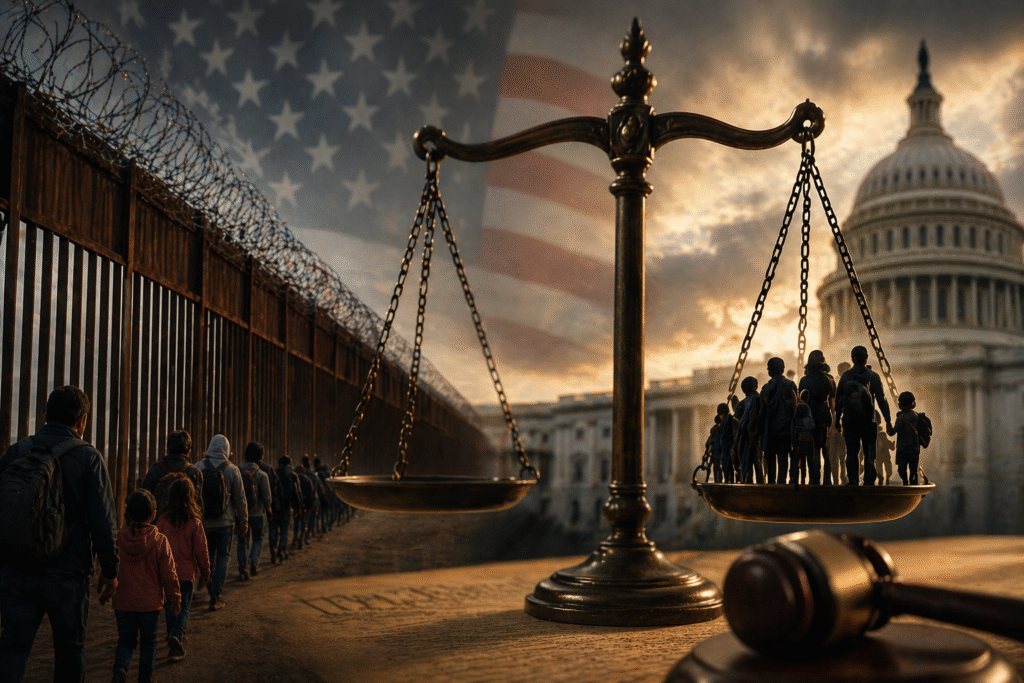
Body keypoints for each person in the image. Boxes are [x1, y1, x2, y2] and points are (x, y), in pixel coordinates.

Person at [0, 385, 119, 683]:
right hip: (68, 575)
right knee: (69, 652)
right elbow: (103, 522)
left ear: (44, 415)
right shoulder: (89, 458)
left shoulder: (17, 451)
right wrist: (110, 570)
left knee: (12, 648)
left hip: (17, 570)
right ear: (82, 421)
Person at [110, 489, 180, 683]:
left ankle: (121, 669)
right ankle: (145, 679)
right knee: (148, 645)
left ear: (129, 514)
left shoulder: (118, 537)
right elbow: (169, 575)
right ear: (153, 515)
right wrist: (175, 599)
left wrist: (105, 589)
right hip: (150, 605)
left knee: (125, 641)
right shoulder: (159, 541)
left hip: (123, 602)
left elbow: (109, 565)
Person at [155, 477, 210, 661]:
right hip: (187, 574)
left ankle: (172, 634)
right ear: (191, 496)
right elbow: (202, 551)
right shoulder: (195, 522)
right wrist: (206, 571)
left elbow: (157, 546)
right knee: (185, 606)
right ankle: (177, 635)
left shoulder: (162, 520)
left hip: (167, 572)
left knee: (170, 605)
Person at [195, 434, 247, 611]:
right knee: (223, 557)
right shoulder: (232, 470)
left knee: (207, 557)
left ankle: (210, 589)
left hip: (204, 523)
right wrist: (244, 521)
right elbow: (240, 499)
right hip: (226, 523)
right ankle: (215, 595)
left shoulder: (198, 467)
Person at [835, 346, 892, 486]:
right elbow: (882, 400)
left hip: (850, 420)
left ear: (852, 359)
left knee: (852, 452)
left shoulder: (845, 376)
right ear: (866, 359)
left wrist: (836, 419)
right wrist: (888, 420)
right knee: (869, 454)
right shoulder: (873, 376)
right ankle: (868, 481)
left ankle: (853, 480)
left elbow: (838, 399)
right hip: (868, 420)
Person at [141, 430, 204, 517]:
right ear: (188, 451)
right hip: (186, 526)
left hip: (160, 525)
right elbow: (199, 505)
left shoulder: (156, 469)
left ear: (168, 448)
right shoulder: (194, 472)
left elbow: (144, 497)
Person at [797, 350, 836, 485]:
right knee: (825, 449)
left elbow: (800, 402)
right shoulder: (828, 379)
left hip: (808, 418)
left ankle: (814, 478)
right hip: (824, 417)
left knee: (812, 448)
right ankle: (827, 480)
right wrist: (834, 422)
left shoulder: (804, 380)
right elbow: (832, 404)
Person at [759, 357, 798, 484]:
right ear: (783, 369)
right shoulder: (790, 385)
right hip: (785, 430)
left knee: (770, 460)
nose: (767, 370)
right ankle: (781, 484)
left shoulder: (765, 388)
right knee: (783, 460)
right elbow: (795, 409)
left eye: (768, 367)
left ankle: (771, 483)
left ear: (770, 371)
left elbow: (761, 413)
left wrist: (760, 431)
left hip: (769, 431)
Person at [237, 442, 272, 580]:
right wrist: (269, 510)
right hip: (258, 513)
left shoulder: (236, 471)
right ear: (260, 457)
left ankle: (242, 567)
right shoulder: (262, 474)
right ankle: (254, 562)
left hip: (241, 515)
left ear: (245, 455)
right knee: (258, 538)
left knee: (242, 541)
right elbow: (267, 497)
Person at [887, 392, 924, 485]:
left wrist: (888, 427)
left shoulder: (900, 419)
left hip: (903, 448)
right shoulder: (916, 416)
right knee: (913, 470)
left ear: (900, 404)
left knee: (901, 469)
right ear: (912, 403)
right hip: (915, 448)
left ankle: (905, 482)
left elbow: (892, 433)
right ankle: (913, 483)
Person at [271, 455, 301, 564]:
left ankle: (273, 552)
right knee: (284, 531)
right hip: (287, 507)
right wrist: (297, 508)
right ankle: (281, 550)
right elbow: (296, 493)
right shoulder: (292, 475)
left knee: (273, 531)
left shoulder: (273, 473)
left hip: (274, 508)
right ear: (289, 463)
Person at [733, 377, 764, 484]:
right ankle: (756, 481)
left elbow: (745, 418)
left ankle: (750, 481)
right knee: (755, 460)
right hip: (752, 435)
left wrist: (738, 435)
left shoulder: (752, 399)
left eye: (744, 388)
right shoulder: (753, 398)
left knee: (751, 460)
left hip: (751, 435)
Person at [712, 403, 737, 483]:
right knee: (731, 468)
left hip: (726, 448)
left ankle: (727, 482)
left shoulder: (724, 422)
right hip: (731, 446)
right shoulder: (731, 418)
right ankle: (731, 481)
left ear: (721, 413)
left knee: (726, 467)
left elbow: (723, 437)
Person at [791, 402, 816, 484]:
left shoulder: (796, 417)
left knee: (797, 461)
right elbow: (813, 427)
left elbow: (793, 431)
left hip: (800, 442)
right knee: (810, 462)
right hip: (809, 442)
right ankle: (811, 479)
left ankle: (796, 479)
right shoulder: (809, 417)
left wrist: (794, 444)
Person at [874, 413, 895, 486]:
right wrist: (893, 445)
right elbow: (892, 447)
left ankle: (882, 479)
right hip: (882, 456)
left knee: (882, 468)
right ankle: (884, 478)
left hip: (880, 456)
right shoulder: (882, 438)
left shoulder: (878, 439)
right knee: (884, 468)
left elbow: (892, 447)